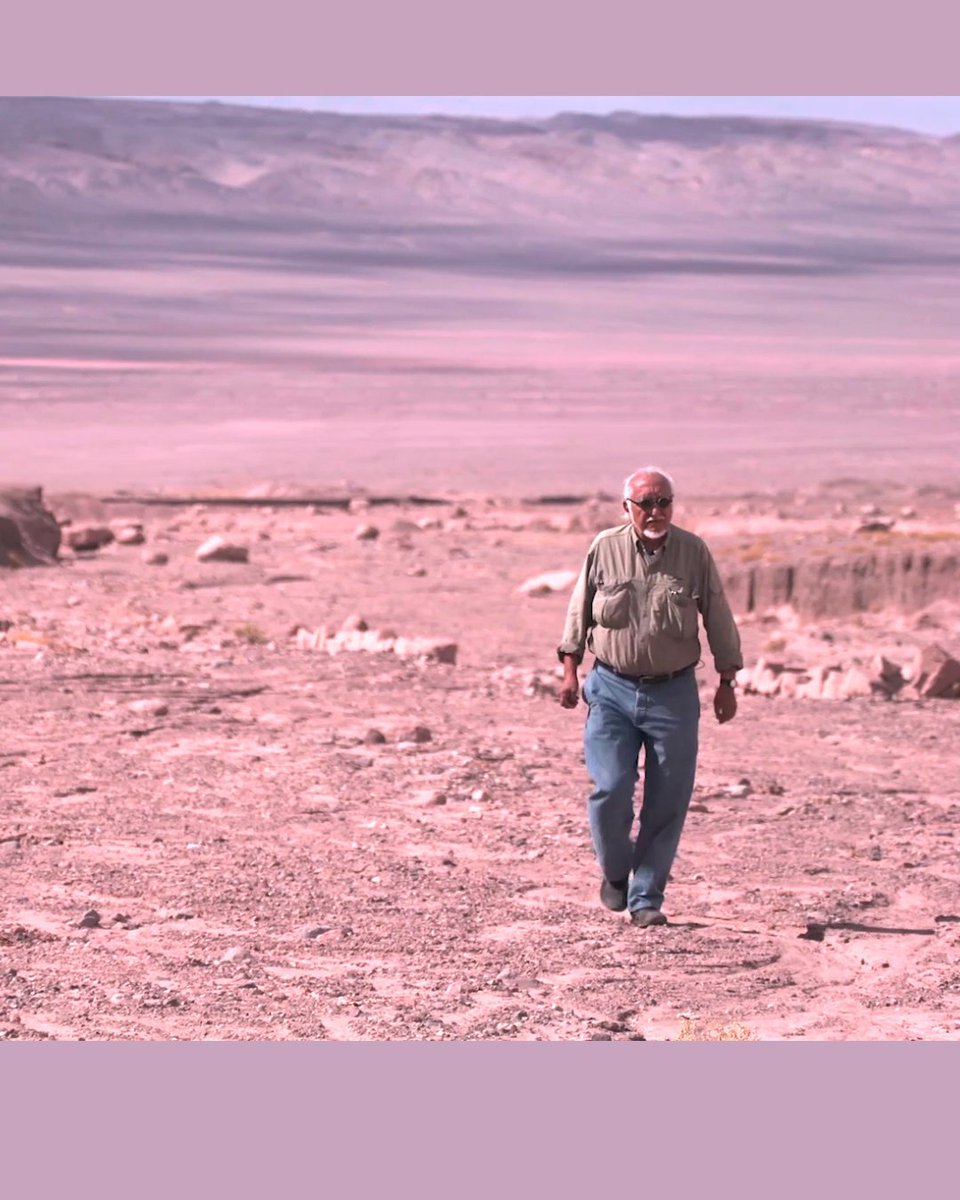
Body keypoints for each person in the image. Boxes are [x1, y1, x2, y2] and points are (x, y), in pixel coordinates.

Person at [558, 467, 742, 927]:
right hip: (611, 688)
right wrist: (569, 670)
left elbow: (717, 612)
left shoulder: (693, 552)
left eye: (664, 502)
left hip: (673, 694)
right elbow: (579, 610)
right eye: (646, 504)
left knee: (668, 799)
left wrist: (727, 679)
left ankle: (645, 898)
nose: (656, 512)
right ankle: (615, 870)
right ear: (628, 508)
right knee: (611, 787)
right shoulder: (605, 547)